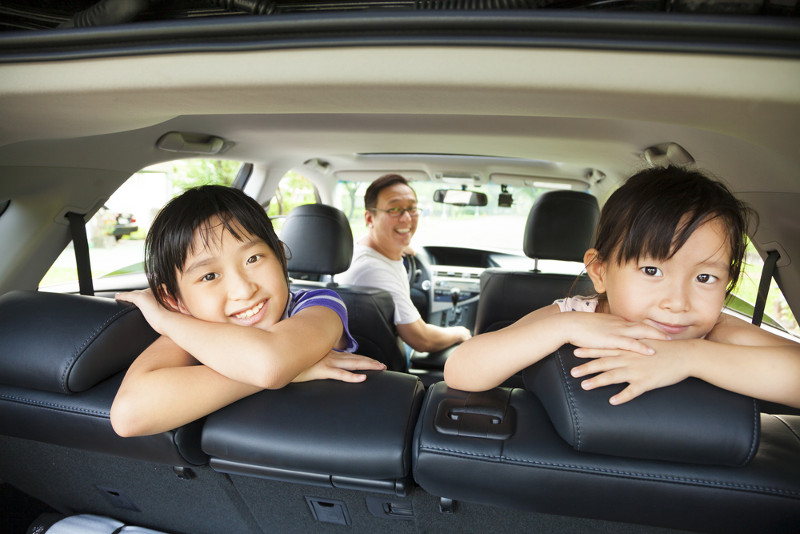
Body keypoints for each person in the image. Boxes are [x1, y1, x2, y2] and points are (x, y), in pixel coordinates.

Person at [444, 166, 800, 408]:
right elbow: (460, 369)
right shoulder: (576, 315)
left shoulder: (714, 330)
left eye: (704, 278)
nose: (678, 302)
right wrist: (563, 328)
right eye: (651, 270)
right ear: (599, 271)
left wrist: (693, 357)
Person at [110, 185, 385, 437]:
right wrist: (295, 370)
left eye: (253, 259)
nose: (243, 290)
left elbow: (270, 364)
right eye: (209, 276)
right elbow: (128, 415)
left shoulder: (322, 306)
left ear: (280, 256)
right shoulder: (187, 327)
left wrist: (162, 318)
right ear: (176, 301)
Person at [339, 173, 471, 353]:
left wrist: (399, 246)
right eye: (394, 210)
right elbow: (422, 340)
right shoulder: (373, 270)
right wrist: (460, 333)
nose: (407, 218)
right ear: (370, 218)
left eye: (412, 208)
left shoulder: (363, 251)